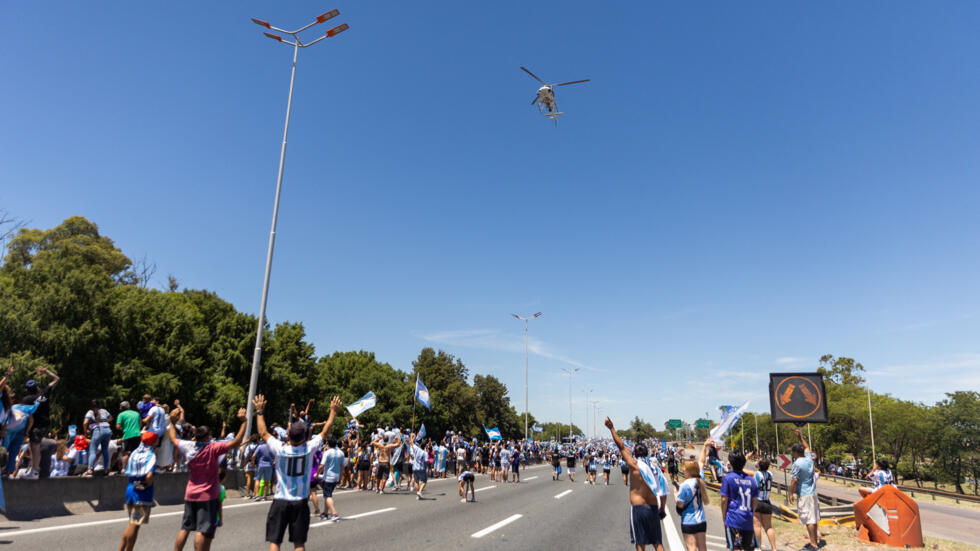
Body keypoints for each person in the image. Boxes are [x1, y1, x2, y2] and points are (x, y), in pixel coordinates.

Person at [253, 393, 342, 551]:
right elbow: (325, 432)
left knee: (275, 541)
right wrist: (333, 411)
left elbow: (263, 433)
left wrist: (259, 411)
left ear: (288, 435)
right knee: (299, 543)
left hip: (280, 500)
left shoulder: (280, 449)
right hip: (300, 501)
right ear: (303, 436)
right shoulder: (308, 449)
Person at [169, 406, 247, 551]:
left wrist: (172, 423)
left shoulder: (189, 446)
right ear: (206, 437)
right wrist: (244, 422)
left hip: (191, 493)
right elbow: (236, 442)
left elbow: (173, 439)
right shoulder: (213, 448)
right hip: (207, 495)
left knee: (185, 528)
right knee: (201, 529)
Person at [606, 417, 667, 551]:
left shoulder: (635, 465)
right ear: (647, 452)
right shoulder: (656, 469)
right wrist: (662, 507)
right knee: (657, 542)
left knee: (640, 543)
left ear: (635, 453)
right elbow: (663, 490)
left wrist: (611, 428)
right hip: (653, 507)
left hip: (638, 508)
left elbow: (621, 446)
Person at [118, 431, 157, 551]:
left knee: (131, 523)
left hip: (130, 489)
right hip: (142, 493)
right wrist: (147, 483)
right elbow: (149, 476)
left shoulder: (135, 453)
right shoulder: (150, 455)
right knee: (134, 526)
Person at [20, 367, 60, 479]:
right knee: (36, 446)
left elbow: (26, 415)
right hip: (46, 424)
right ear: (37, 387)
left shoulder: (27, 399)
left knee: (35, 448)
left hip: (36, 426)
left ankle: (35, 471)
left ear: (27, 390)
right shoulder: (44, 392)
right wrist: (46, 371)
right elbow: (56, 379)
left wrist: (26, 430)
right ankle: (34, 469)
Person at [788, 429, 821, 551]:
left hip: (804, 494)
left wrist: (790, 493)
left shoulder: (797, 464)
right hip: (813, 492)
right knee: (814, 518)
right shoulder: (808, 458)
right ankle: (815, 542)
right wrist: (800, 437)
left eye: (792, 452)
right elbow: (807, 447)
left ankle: (813, 545)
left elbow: (794, 480)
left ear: (796, 452)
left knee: (808, 520)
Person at [720, 452, 757, 551]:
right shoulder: (752, 480)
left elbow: (724, 499)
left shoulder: (728, 478)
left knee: (735, 547)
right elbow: (755, 501)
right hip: (748, 519)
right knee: (748, 547)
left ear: (730, 463)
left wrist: (724, 516)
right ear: (744, 464)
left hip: (733, 518)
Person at [675, 461, 708, 551]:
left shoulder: (684, 485)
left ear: (689, 471)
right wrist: (705, 448)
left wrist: (675, 494)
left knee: (691, 548)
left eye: (684, 469)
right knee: (702, 547)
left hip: (688, 521)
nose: (683, 470)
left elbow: (680, 505)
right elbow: (701, 462)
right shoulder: (700, 480)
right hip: (701, 520)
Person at [83, 399, 113, 477]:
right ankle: (106, 469)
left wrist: (85, 432)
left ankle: (90, 469)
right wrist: (104, 421)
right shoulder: (104, 410)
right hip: (108, 430)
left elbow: (85, 423)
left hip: (98, 430)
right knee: (105, 450)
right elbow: (111, 418)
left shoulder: (90, 412)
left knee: (93, 450)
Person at [752, 459, 777, 551]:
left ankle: (758, 548)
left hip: (758, 501)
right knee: (768, 526)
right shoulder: (770, 474)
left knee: (757, 526)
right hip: (767, 501)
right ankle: (774, 548)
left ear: (759, 466)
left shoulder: (756, 474)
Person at [116, 401, 142, 470]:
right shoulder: (137, 413)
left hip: (127, 435)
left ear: (121, 408)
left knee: (125, 453)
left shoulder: (121, 414)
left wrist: (124, 428)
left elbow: (118, 426)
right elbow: (140, 424)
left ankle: (123, 469)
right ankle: (137, 468)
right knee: (136, 453)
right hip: (138, 435)